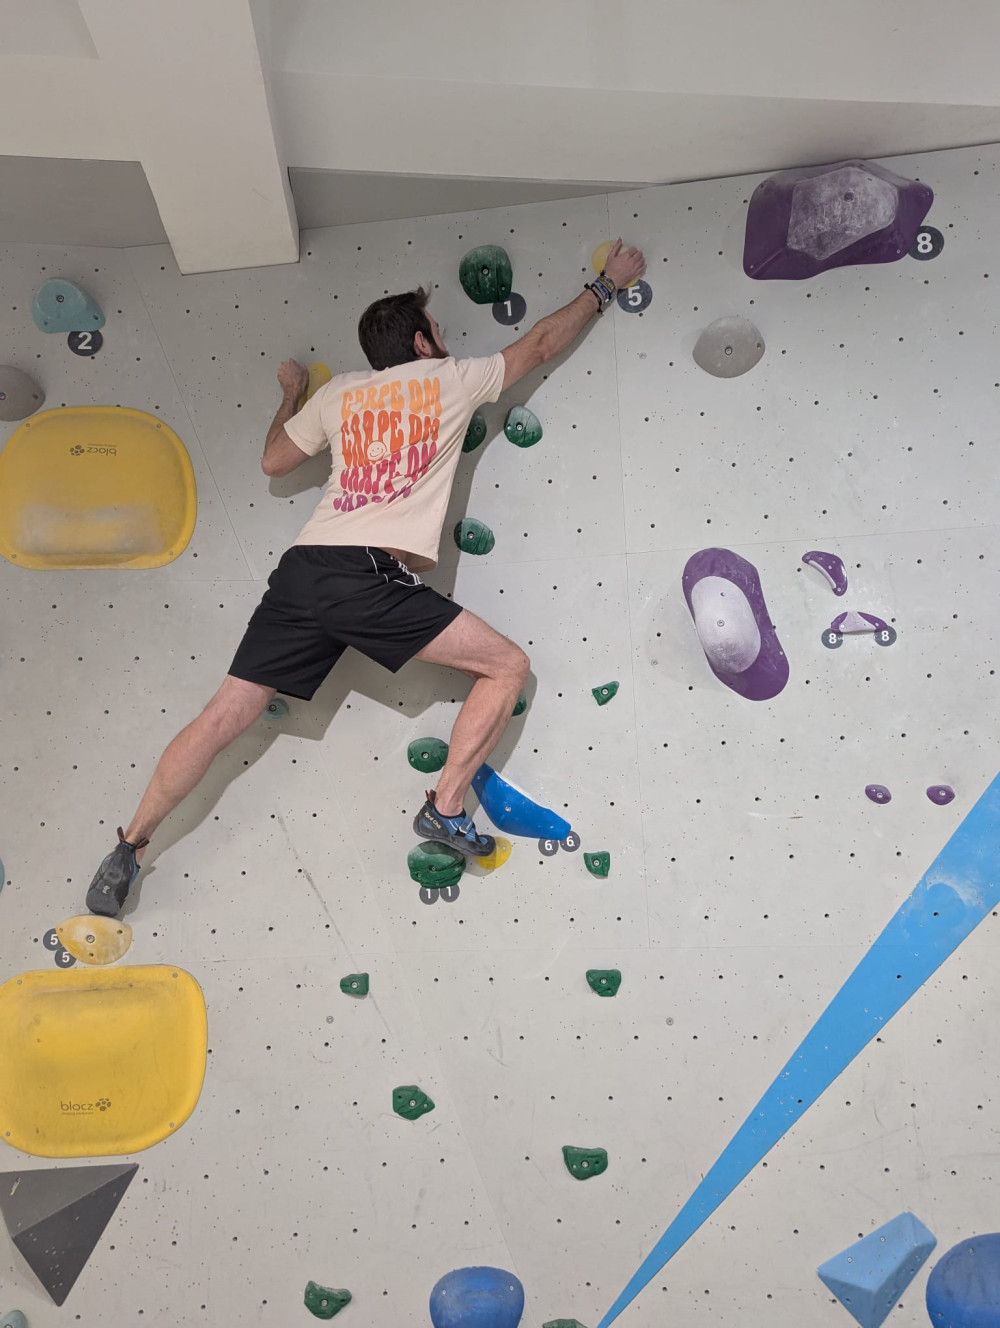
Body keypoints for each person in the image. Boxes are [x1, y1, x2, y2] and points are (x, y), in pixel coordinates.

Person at [85, 239, 646, 917]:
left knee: (222, 716)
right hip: (365, 572)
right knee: (506, 667)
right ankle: (444, 808)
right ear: (421, 341)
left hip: (304, 569)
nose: (446, 339)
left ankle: (130, 845)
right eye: (439, 331)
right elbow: (543, 343)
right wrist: (604, 287)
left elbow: (272, 460)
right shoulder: (451, 379)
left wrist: (293, 396)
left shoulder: (342, 394)